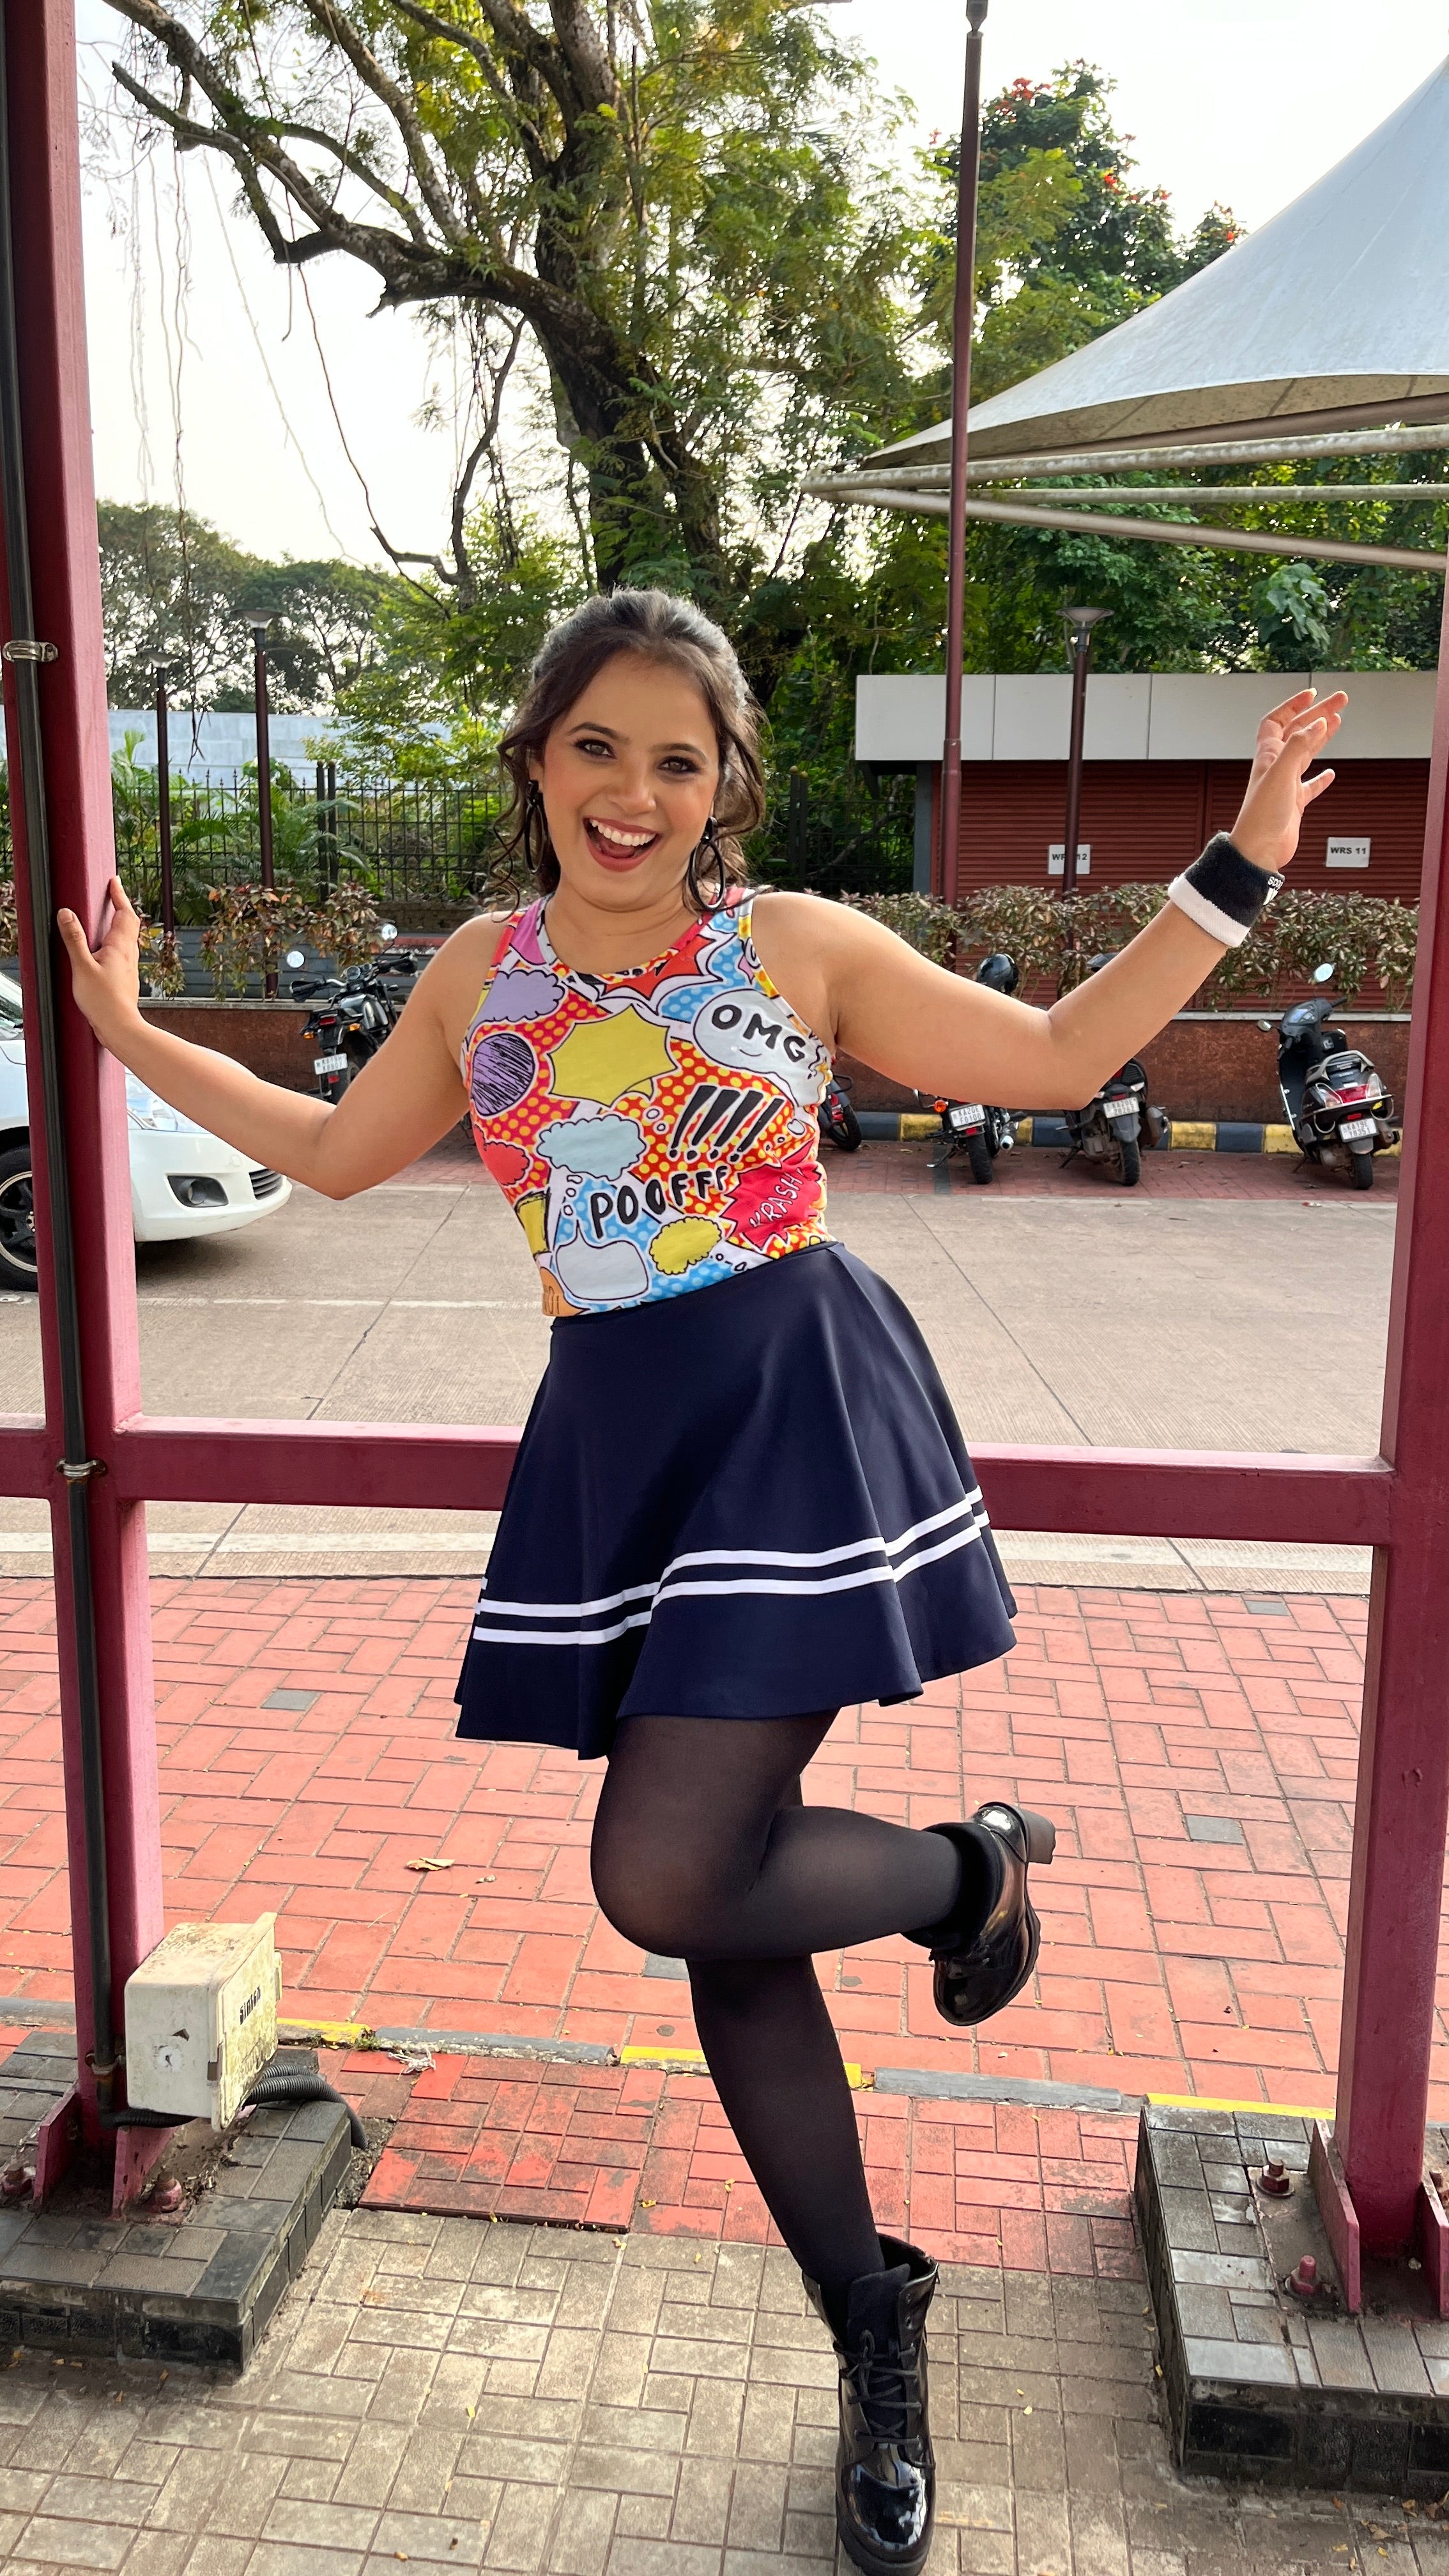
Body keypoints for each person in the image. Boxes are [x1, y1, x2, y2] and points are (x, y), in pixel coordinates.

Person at [61, 592, 1343, 2576]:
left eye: (678, 757)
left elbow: (1060, 1049)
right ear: (537, 759)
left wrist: (1243, 845)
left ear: (724, 781)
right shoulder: (479, 975)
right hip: (619, 1429)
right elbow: (331, 1156)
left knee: (664, 1872)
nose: (634, 793)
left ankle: (960, 1878)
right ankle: (874, 2318)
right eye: (597, 748)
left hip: (789, 1409)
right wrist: (135, 1034)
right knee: (725, 1915)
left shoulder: (794, 948)